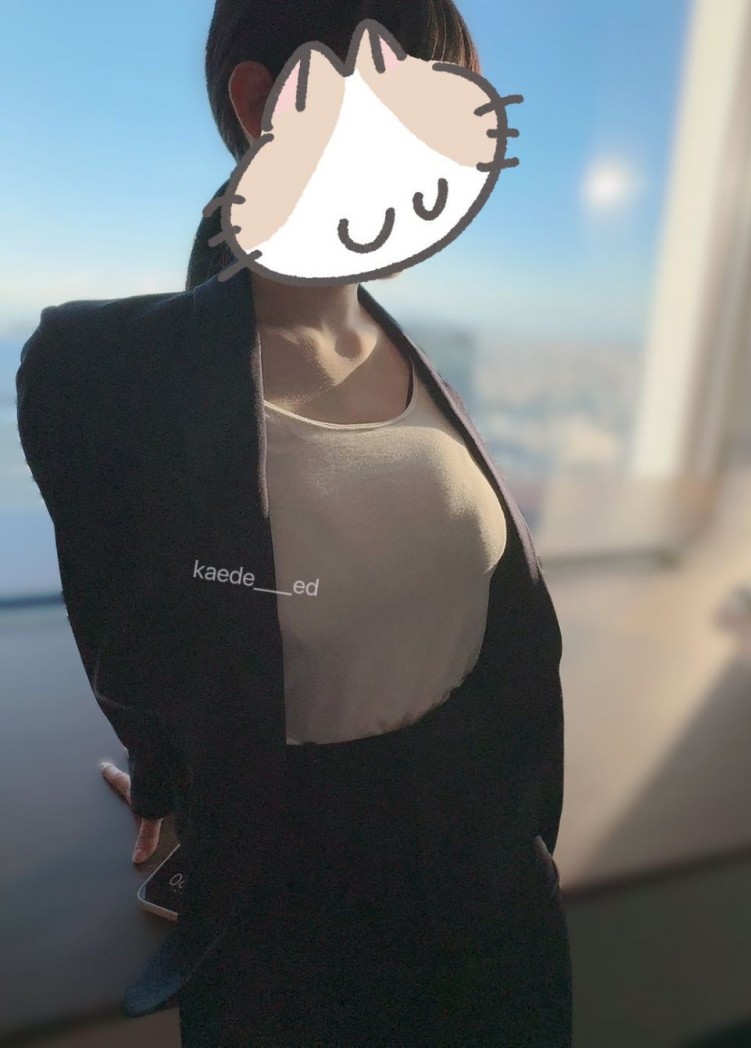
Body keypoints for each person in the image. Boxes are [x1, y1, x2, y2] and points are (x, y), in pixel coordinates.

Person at [19, 0, 572, 1044]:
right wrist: (168, 768)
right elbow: (125, 605)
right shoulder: (105, 377)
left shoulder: (415, 365)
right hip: (299, 927)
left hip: (493, 898)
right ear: (265, 104)